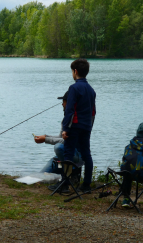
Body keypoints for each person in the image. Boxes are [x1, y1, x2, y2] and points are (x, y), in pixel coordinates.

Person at [35, 91, 83, 192]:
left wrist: (45, 140)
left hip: (76, 155)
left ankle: (72, 174)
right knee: (38, 177)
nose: (62, 104)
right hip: (63, 157)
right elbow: (60, 137)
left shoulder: (76, 119)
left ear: (69, 103)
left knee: (58, 147)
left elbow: (65, 141)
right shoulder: (66, 118)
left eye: (64, 102)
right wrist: (45, 136)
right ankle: (64, 175)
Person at [62, 58, 96, 193]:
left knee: (68, 153)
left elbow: (69, 110)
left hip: (74, 126)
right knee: (86, 154)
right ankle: (86, 184)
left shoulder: (74, 88)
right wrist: (89, 126)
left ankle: (65, 184)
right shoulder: (91, 90)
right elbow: (93, 112)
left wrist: (65, 128)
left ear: (75, 71)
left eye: (72, 71)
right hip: (86, 126)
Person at [120, 122, 143, 212]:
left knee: (127, 172)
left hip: (127, 174)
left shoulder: (129, 145)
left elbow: (124, 159)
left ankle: (126, 199)